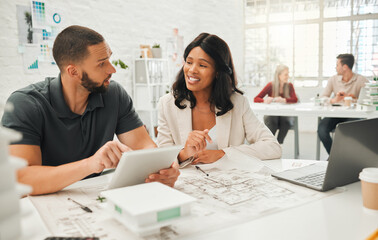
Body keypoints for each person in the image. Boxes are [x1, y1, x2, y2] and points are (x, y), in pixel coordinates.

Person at [1, 25, 179, 195]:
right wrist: (90, 164)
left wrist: (163, 168)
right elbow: (22, 178)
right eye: (101, 64)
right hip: (43, 203)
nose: (112, 69)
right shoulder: (25, 104)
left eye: (109, 58)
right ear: (73, 72)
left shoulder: (113, 94)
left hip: (93, 195)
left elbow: (144, 146)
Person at [157, 33, 281, 165]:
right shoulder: (167, 104)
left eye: (202, 65)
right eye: (189, 62)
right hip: (185, 182)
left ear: (217, 72)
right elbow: (161, 158)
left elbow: (272, 147)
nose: (192, 70)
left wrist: (223, 154)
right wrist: (185, 153)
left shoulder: (238, 103)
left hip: (228, 182)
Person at [318, 54, 368, 154]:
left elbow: (368, 101)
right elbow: (322, 98)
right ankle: (334, 155)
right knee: (322, 130)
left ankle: (347, 157)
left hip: (353, 116)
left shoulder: (361, 80)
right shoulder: (333, 80)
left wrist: (353, 98)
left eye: (337, 65)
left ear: (345, 67)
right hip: (335, 115)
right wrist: (334, 100)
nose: (335, 68)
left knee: (350, 133)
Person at [254, 65, 298, 144]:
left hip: (285, 114)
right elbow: (256, 98)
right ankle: (270, 143)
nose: (288, 76)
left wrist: (284, 100)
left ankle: (278, 144)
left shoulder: (289, 86)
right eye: (286, 74)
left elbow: (295, 99)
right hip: (272, 114)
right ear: (279, 75)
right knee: (272, 121)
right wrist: (264, 100)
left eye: (288, 74)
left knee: (286, 121)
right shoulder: (270, 85)